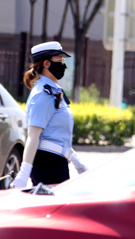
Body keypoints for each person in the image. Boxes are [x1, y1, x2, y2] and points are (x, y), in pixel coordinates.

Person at [11, 41, 88, 189]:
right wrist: (23, 174)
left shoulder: (54, 90)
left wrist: (76, 161)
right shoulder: (42, 93)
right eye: (60, 60)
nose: (63, 65)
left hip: (57, 161)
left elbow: (56, 134)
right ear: (46, 63)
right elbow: (33, 136)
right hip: (46, 163)